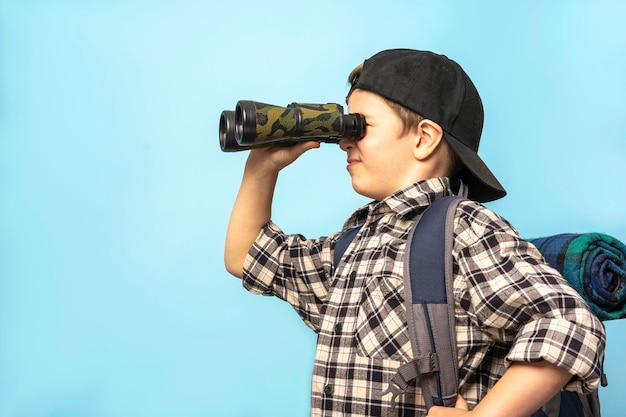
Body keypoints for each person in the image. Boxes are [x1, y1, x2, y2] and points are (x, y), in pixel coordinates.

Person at [223, 49, 606, 417]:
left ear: (424, 138)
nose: (343, 140)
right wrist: (263, 167)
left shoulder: (464, 228)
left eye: (360, 126)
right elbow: (248, 257)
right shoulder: (354, 245)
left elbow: (569, 325)